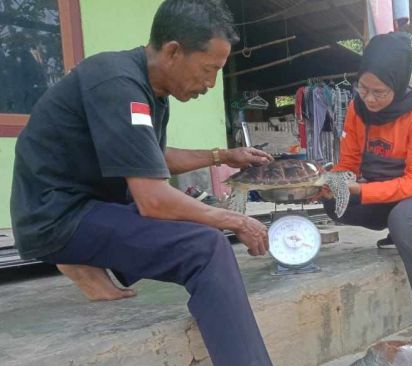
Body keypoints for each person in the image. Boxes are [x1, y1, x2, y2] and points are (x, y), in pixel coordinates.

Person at [10, 1, 274, 365]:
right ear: (173, 51)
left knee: (187, 217)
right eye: (208, 70)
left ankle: (84, 260)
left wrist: (222, 155)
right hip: (58, 215)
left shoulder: (147, 87)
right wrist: (234, 220)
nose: (211, 85)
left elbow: (149, 157)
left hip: (90, 205)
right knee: (207, 247)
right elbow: (153, 200)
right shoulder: (118, 83)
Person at [321, 32, 412, 348]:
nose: (370, 99)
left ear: (398, 85)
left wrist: (359, 191)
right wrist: (328, 181)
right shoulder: (358, 109)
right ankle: (397, 230)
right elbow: (347, 162)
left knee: (405, 220)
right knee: (335, 202)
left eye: (379, 92)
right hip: (391, 185)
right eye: (363, 88)